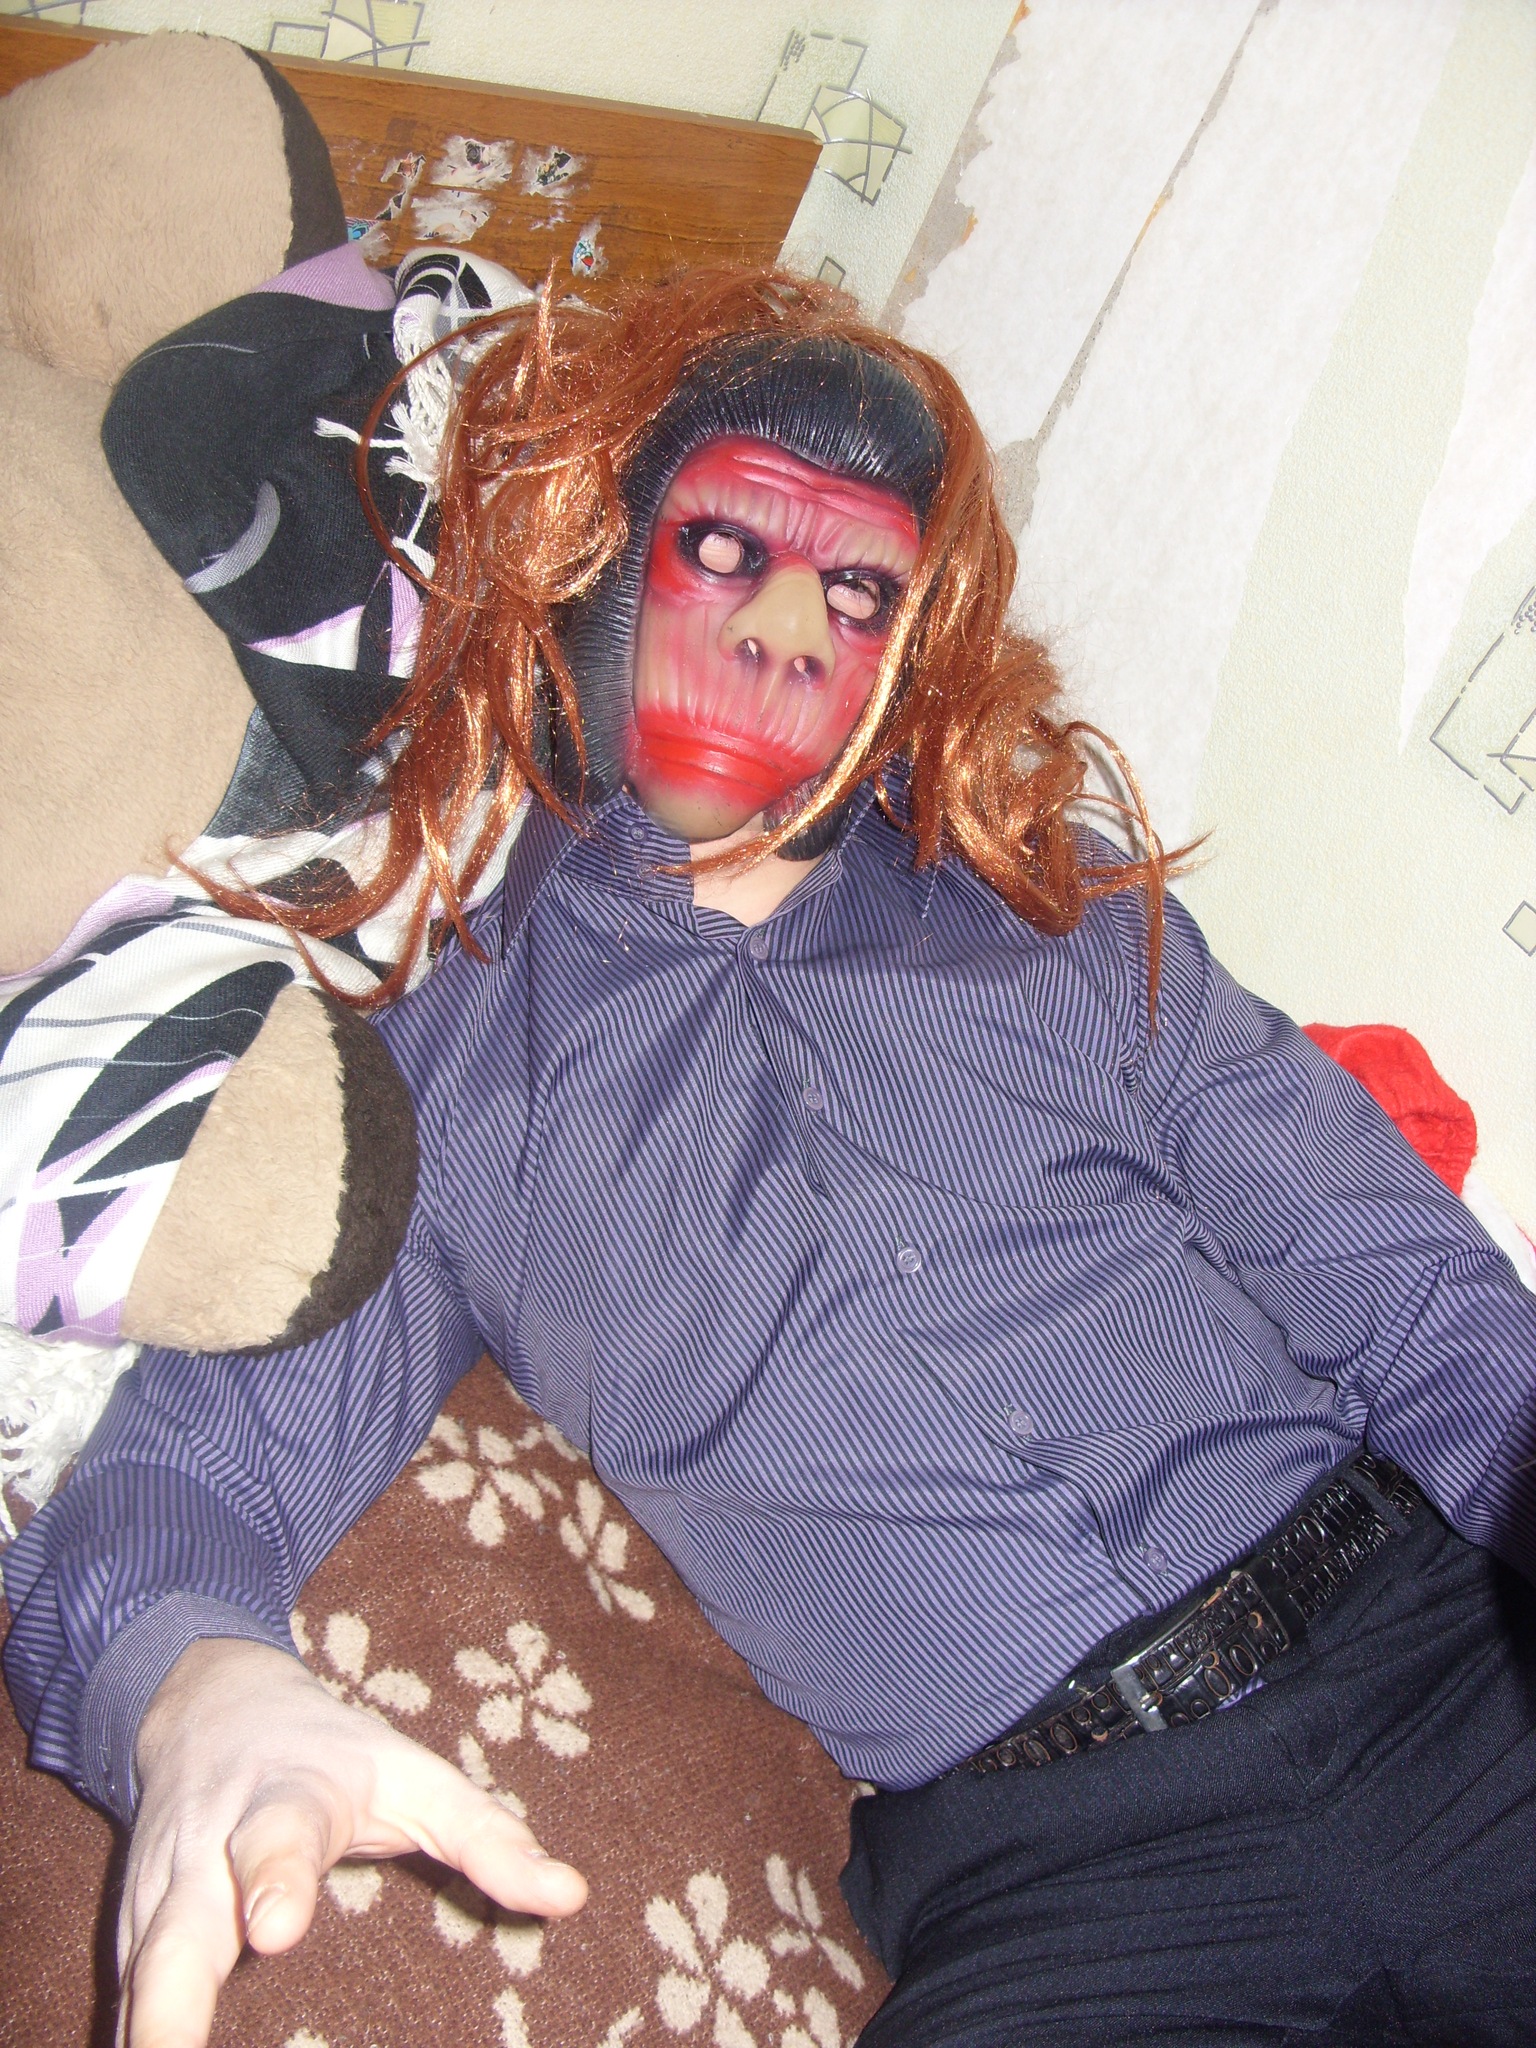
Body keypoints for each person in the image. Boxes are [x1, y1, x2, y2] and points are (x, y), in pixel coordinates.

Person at [6, 264, 1536, 2048]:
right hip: (1076, 1877)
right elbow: (197, 1470)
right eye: (728, 550)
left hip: (1445, 1670)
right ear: (599, 553)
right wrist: (198, 1698)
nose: (791, 631)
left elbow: (1419, 1305)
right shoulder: (444, 1066)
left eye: (858, 587)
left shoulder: (1050, 899)